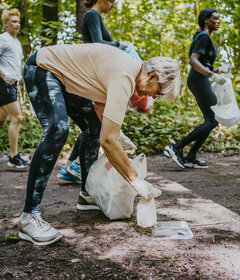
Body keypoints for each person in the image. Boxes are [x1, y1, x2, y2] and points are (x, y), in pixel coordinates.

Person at [19, 42, 181, 245]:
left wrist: (118, 135)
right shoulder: (124, 76)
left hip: (65, 80)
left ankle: (88, 194)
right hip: (43, 67)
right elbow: (108, 140)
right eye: (158, 92)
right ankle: (29, 217)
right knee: (58, 130)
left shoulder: (127, 73)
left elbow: (99, 105)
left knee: (93, 129)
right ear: (152, 76)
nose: (153, 97)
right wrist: (136, 180)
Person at [58, 0, 127, 184]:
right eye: (111, 1)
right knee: (93, 125)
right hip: (88, 73)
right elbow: (98, 44)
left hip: (94, 72)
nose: (113, 5)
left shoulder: (97, 17)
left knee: (93, 125)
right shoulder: (92, 15)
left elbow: (105, 44)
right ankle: (74, 166)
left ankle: (71, 166)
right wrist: (121, 45)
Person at [164, 8, 231, 169]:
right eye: (215, 18)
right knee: (213, 119)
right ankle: (176, 147)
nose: (218, 21)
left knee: (210, 120)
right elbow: (193, 61)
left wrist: (218, 70)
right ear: (205, 20)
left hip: (200, 78)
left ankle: (191, 156)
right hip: (199, 79)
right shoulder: (203, 36)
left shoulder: (204, 36)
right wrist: (211, 74)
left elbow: (203, 63)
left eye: (219, 19)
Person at [0, 8, 30, 170]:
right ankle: (13, 157)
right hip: (2, 84)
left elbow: (17, 65)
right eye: (13, 21)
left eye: (18, 21)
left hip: (13, 85)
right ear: (5, 24)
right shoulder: (2, 39)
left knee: (1, 121)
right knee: (17, 118)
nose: (17, 24)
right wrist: (3, 75)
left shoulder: (17, 43)